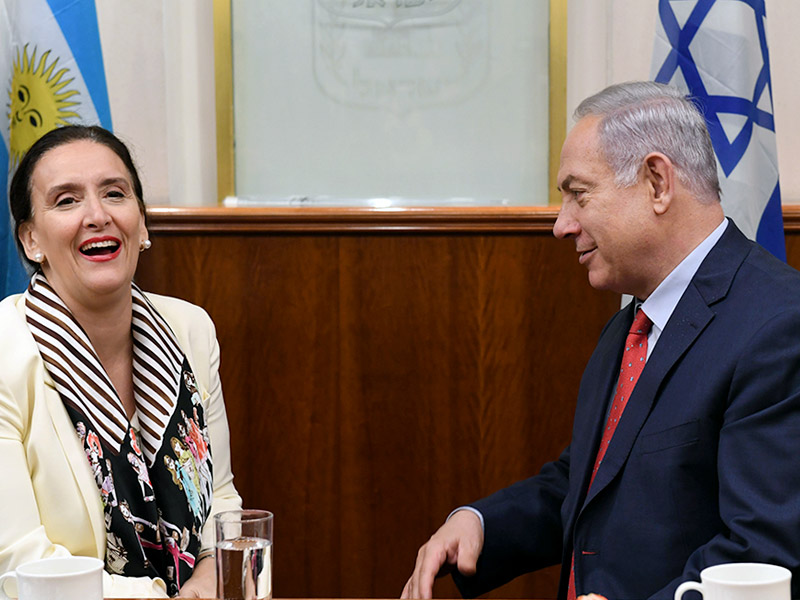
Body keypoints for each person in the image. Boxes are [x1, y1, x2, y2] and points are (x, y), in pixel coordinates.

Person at [401, 81, 800, 600]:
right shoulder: (632, 322)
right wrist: (480, 523)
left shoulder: (777, 326)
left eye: (578, 194)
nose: (562, 225)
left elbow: (761, 552)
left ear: (657, 182)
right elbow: (591, 480)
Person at [0, 126, 242, 598]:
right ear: (31, 240)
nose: (97, 215)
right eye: (66, 201)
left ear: (142, 223)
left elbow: (222, 505)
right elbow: (18, 563)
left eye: (115, 193)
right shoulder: (4, 351)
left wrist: (214, 572)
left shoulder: (190, 329)